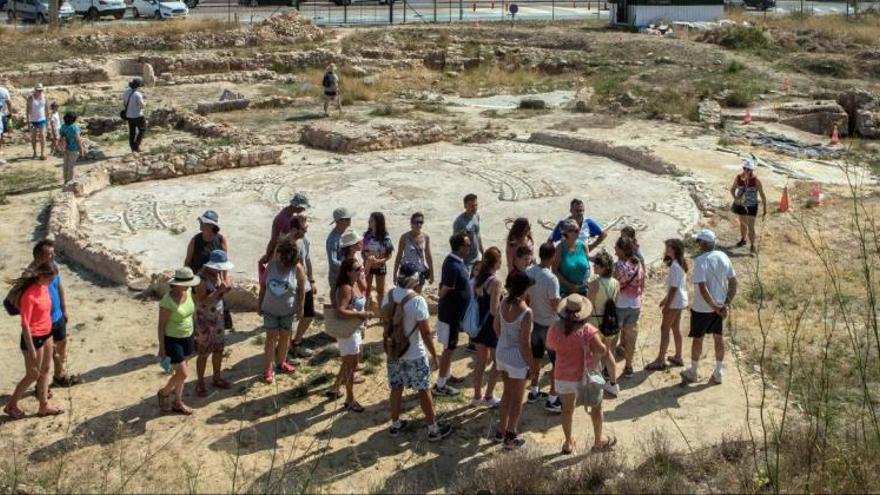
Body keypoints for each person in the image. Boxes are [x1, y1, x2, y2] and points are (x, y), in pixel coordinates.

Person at [384, 262, 453, 441]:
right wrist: (434, 354)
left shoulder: (389, 295)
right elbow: (426, 332)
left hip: (394, 351)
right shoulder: (417, 300)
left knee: (396, 387)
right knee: (423, 390)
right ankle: (433, 429)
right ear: (416, 279)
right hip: (414, 353)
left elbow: (385, 320)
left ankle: (395, 424)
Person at [547, 294, 617, 454]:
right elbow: (602, 350)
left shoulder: (554, 329)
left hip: (563, 375)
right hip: (585, 376)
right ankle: (598, 440)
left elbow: (550, 346)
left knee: (567, 410)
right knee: (596, 408)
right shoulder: (587, 330)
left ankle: (568, 442)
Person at [3, 263, 65, 419]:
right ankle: (11, 406)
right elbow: (25, 324)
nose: (53, 282)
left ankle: (43, 406)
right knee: (32, 374)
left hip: (47, 334)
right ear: (42, 276)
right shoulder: (29, 296)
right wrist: (31, 349)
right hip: (33, 339)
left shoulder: (44, 287)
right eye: (51, 279)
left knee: (45, 371)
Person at [681, 230, 737, 385]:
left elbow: (702, 288)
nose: (697, 244)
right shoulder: (724, 256)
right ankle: (718, 371)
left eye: (699, 241)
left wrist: (713, 306)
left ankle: (693, 371)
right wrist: (724, 304)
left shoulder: (700, 261)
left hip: (702, 308)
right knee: (718, 338)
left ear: (704, 243)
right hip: (720, 306)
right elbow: (733, 282)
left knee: (698, 339)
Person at [494, 272, 536, 450]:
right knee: (518, 399)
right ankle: (510, 437)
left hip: (501, 353)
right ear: (525, 289)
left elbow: (496, 327)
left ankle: (500, 430)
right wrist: (533, 365)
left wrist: (505, 342)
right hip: (517, 360)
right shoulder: (526, 312)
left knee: (506, 393)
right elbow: (525, 344)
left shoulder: (503, 302)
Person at [29, 239, 80, 388]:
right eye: (49, 254)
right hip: (43, 321)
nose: (53, 256)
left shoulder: (54, 267)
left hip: (57, 317)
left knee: (62, 344)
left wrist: (64, 310)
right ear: (39, 256)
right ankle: (41, 388)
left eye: (53, 253)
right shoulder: (31, 275)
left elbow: (59, 288)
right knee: (44, 356)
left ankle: (59, 376)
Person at [258, 235, 305, 384]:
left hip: (288, 310)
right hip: (270, 309)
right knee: (271, 337)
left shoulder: (296, 268)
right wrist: (259, 305)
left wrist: (300, 307)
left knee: (285, 336)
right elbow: (263, 286)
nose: (279, 256)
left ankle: (282, 362)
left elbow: (302, 289)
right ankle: (268, 369)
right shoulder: (272, 265)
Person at [433, 232, 473, 397]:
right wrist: (438, 297)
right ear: (459, 247)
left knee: (449, 347)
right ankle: (440, 385)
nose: (470, 247)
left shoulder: (457, 262)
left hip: (454, 314)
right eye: (467, 245)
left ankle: (447, 375)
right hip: (450, 314)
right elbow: (445, 289)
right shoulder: (453, 265)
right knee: (449, 348)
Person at [330, 258, 372, 412]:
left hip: (353, 330)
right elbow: (340, 310)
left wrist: (365, 269)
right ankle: (349, 399)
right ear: (348, 272)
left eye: (360, 268)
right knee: (350, 366)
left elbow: (365, 289)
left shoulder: (354, 284)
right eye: (357, 269)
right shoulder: (345, 288)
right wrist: (361, 314)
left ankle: (335, 387)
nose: (360, 270)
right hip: (348, 332)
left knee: (348, 362)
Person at [157, 267, 200, 415]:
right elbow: (161, 326)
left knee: (182, 373)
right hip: (172, 339)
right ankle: (164, 392)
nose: (189, 285)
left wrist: (195, 332)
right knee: (182, 373)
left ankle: (178, 402)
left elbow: (191, 313)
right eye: (187, 283)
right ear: (176, 283)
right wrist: (162, 348)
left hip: (187, 336)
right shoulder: (167, 302)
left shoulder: (187, 292)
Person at [526, 242, 562, 412]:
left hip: (535, 323)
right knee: (557, 363)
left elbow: (526, 297)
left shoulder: (530, 272)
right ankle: (553, 399)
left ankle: (533, 391)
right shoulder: (551, 279)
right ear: (553, 257)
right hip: (550, 326)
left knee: (536, 359)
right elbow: (555, 304)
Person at [193, 250, 233, 397]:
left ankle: (216, 378)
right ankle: (200, 383)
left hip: (218, 318)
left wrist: (225, 288)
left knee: (218, 349)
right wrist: (219, 291)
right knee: (203, 353)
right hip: (204, 321)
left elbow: (224, 288)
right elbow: (201, 300)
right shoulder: (200, 279)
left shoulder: (218, 274)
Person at [646, 239, 688, 371]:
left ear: (674, 249)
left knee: (665, 329)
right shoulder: (680, 264)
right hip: (680, 300)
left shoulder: (675, 266)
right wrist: (665, 299)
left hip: (675, 302)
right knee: (675, 328)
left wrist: (667, 305)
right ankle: (678, 356)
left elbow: (674, 288)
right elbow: (675, 287)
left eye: (668, 247)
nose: (666, 250)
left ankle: (660, 360)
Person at [470, 247, 502, 408]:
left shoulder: (478, 279)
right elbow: (494, 310)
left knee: (480, 361)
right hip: (491, 326)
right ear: (496, 262)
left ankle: (477, 396)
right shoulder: (495, 282)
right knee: (497, 362)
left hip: (477, 324)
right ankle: (489, 396)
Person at [587, 250, 620, 397]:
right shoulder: (615, 283)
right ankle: (613, 383)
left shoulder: (595, 284)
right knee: (607, 353)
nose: (594, 267)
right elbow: (615, 302)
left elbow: (588, 304)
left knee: (594, 354)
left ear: (603, 267)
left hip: (595, 322)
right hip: (609, 322)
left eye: (597, 265)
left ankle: (593, 385)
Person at [613, 236, 645, 379]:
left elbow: (614, 285)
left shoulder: (619, 266)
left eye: (616, 247)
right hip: (635, 305)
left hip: (620, 304)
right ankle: (629, 367)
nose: (614, 249)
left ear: (621, 250)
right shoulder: (638, 264)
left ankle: (609, 368)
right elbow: (642, 283)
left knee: (614, 336)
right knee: (631, 338)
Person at [287, 215, 316, 360]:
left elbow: (308, 260)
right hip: (293, 286)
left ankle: (296, 342)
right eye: (303, 229)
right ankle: (286, 350)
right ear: (294, 229)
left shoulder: (304, 241)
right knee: (291, 320)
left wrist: (312, 280)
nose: (305, 231)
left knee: (309, 315)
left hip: (305, 285)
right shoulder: (287, 245)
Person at [260, 192, 311, 267]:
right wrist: (267, 255)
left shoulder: (289, 213)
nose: (304, 209)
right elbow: (274, 240)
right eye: (302, 208)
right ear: (297, 207)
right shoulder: (283, 220)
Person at [730, 160, 768, 255]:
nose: (746, 170)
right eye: (745, 168)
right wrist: (736, 198)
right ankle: (743, 239)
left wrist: (765, 208)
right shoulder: (738, 178)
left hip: (752, 205)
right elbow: (732, 189)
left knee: (751, 226)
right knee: (742, 223)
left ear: (752, 170)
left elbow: (762, 195)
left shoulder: (756, 181)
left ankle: (752, 246)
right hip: (741, 205)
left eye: (748, 169)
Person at [392, 212, 434, 293]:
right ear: (411, 223)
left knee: (417, 296)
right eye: (416, 222)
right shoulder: (404, 237)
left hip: (420, 271)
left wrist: (432, 273)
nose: (418, 224)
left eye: (421, 222)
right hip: (406, 271)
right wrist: (394, 274)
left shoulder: (426, 237)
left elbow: (428, 256)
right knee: (404, 296)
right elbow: (399, 256)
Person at [363, 212, 394, 312]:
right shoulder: (367, 236)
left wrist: (380, 261)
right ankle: (365, 315)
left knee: (380, 291)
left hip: (380, 266)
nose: (369, 221)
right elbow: (362, 251)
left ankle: (382, 314)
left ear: (378, 222)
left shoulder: (385, 237)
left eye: (371, 220)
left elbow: (389, 254)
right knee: (366, 290)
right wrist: (367, 259)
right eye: (369, 219)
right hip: (368, 266)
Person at [553, 219, 590, 297]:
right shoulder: (560, 248)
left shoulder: (583, 246)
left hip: (583, 290)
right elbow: (554, 270)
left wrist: (587, 280)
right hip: (566, 291)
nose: (576, 232)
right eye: (571, 230)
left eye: (577, 230)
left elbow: (588, 267)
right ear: (565, 232)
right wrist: (570, 285)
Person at [327, 207, 353, 306]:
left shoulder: (345, 232)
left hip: (346, 274)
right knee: (339, 302)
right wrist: (347, 268)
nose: (350, 221)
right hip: (338, 275)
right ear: (340, 221)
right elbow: (333, 261)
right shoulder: (333, 239)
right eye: (347, 219)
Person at [452, 193, 484, 275]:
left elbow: (478, 235)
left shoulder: (476, 216)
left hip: (476, 257)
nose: (475, 208)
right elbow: (455, 244)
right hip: (466, 261)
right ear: (465, 206)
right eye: (472, 206)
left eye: (476, 205)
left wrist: (482, 251)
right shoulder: (459, 222)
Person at [59, 111, 85, 184]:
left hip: (65, 148)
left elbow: (61, 136)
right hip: (73, 149)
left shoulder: (63, 126)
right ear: (74, 119)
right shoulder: (74, 127)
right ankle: (70, 181)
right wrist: (81, 149)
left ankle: (65, 180)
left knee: (65, 164)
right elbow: (78, 139)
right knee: (71, 166)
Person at [122, 78, 146, 153]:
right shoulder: (138, 94)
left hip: (129, 115)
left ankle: (132, 147)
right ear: (138, 86)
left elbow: (124, 104)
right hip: (138, 115)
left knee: (132, 132)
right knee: (142, 130)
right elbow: (142, 106)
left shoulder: (126, 92)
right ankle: (136, 146)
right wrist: (145, 104)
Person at [26, 84, 48, 160]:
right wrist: (28, 122)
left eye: (41, 90)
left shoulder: (44, 97)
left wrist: (47, 120)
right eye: (38, 90)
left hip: (42, 119)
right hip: (33, 120)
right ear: (35, 90)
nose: (40, 91)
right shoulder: (30, 98)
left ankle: (43, 153)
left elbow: (46, 109)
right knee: (33, 137)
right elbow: (27, 111)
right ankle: (35, 152)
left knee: (42, 135)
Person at [0, 83, 12, 152]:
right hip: (5, 112)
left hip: (3, 113)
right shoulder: (4, 90)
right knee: (9, 123)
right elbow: (9, 103)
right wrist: (10, 113)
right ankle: (9, 134)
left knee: (0, 132)